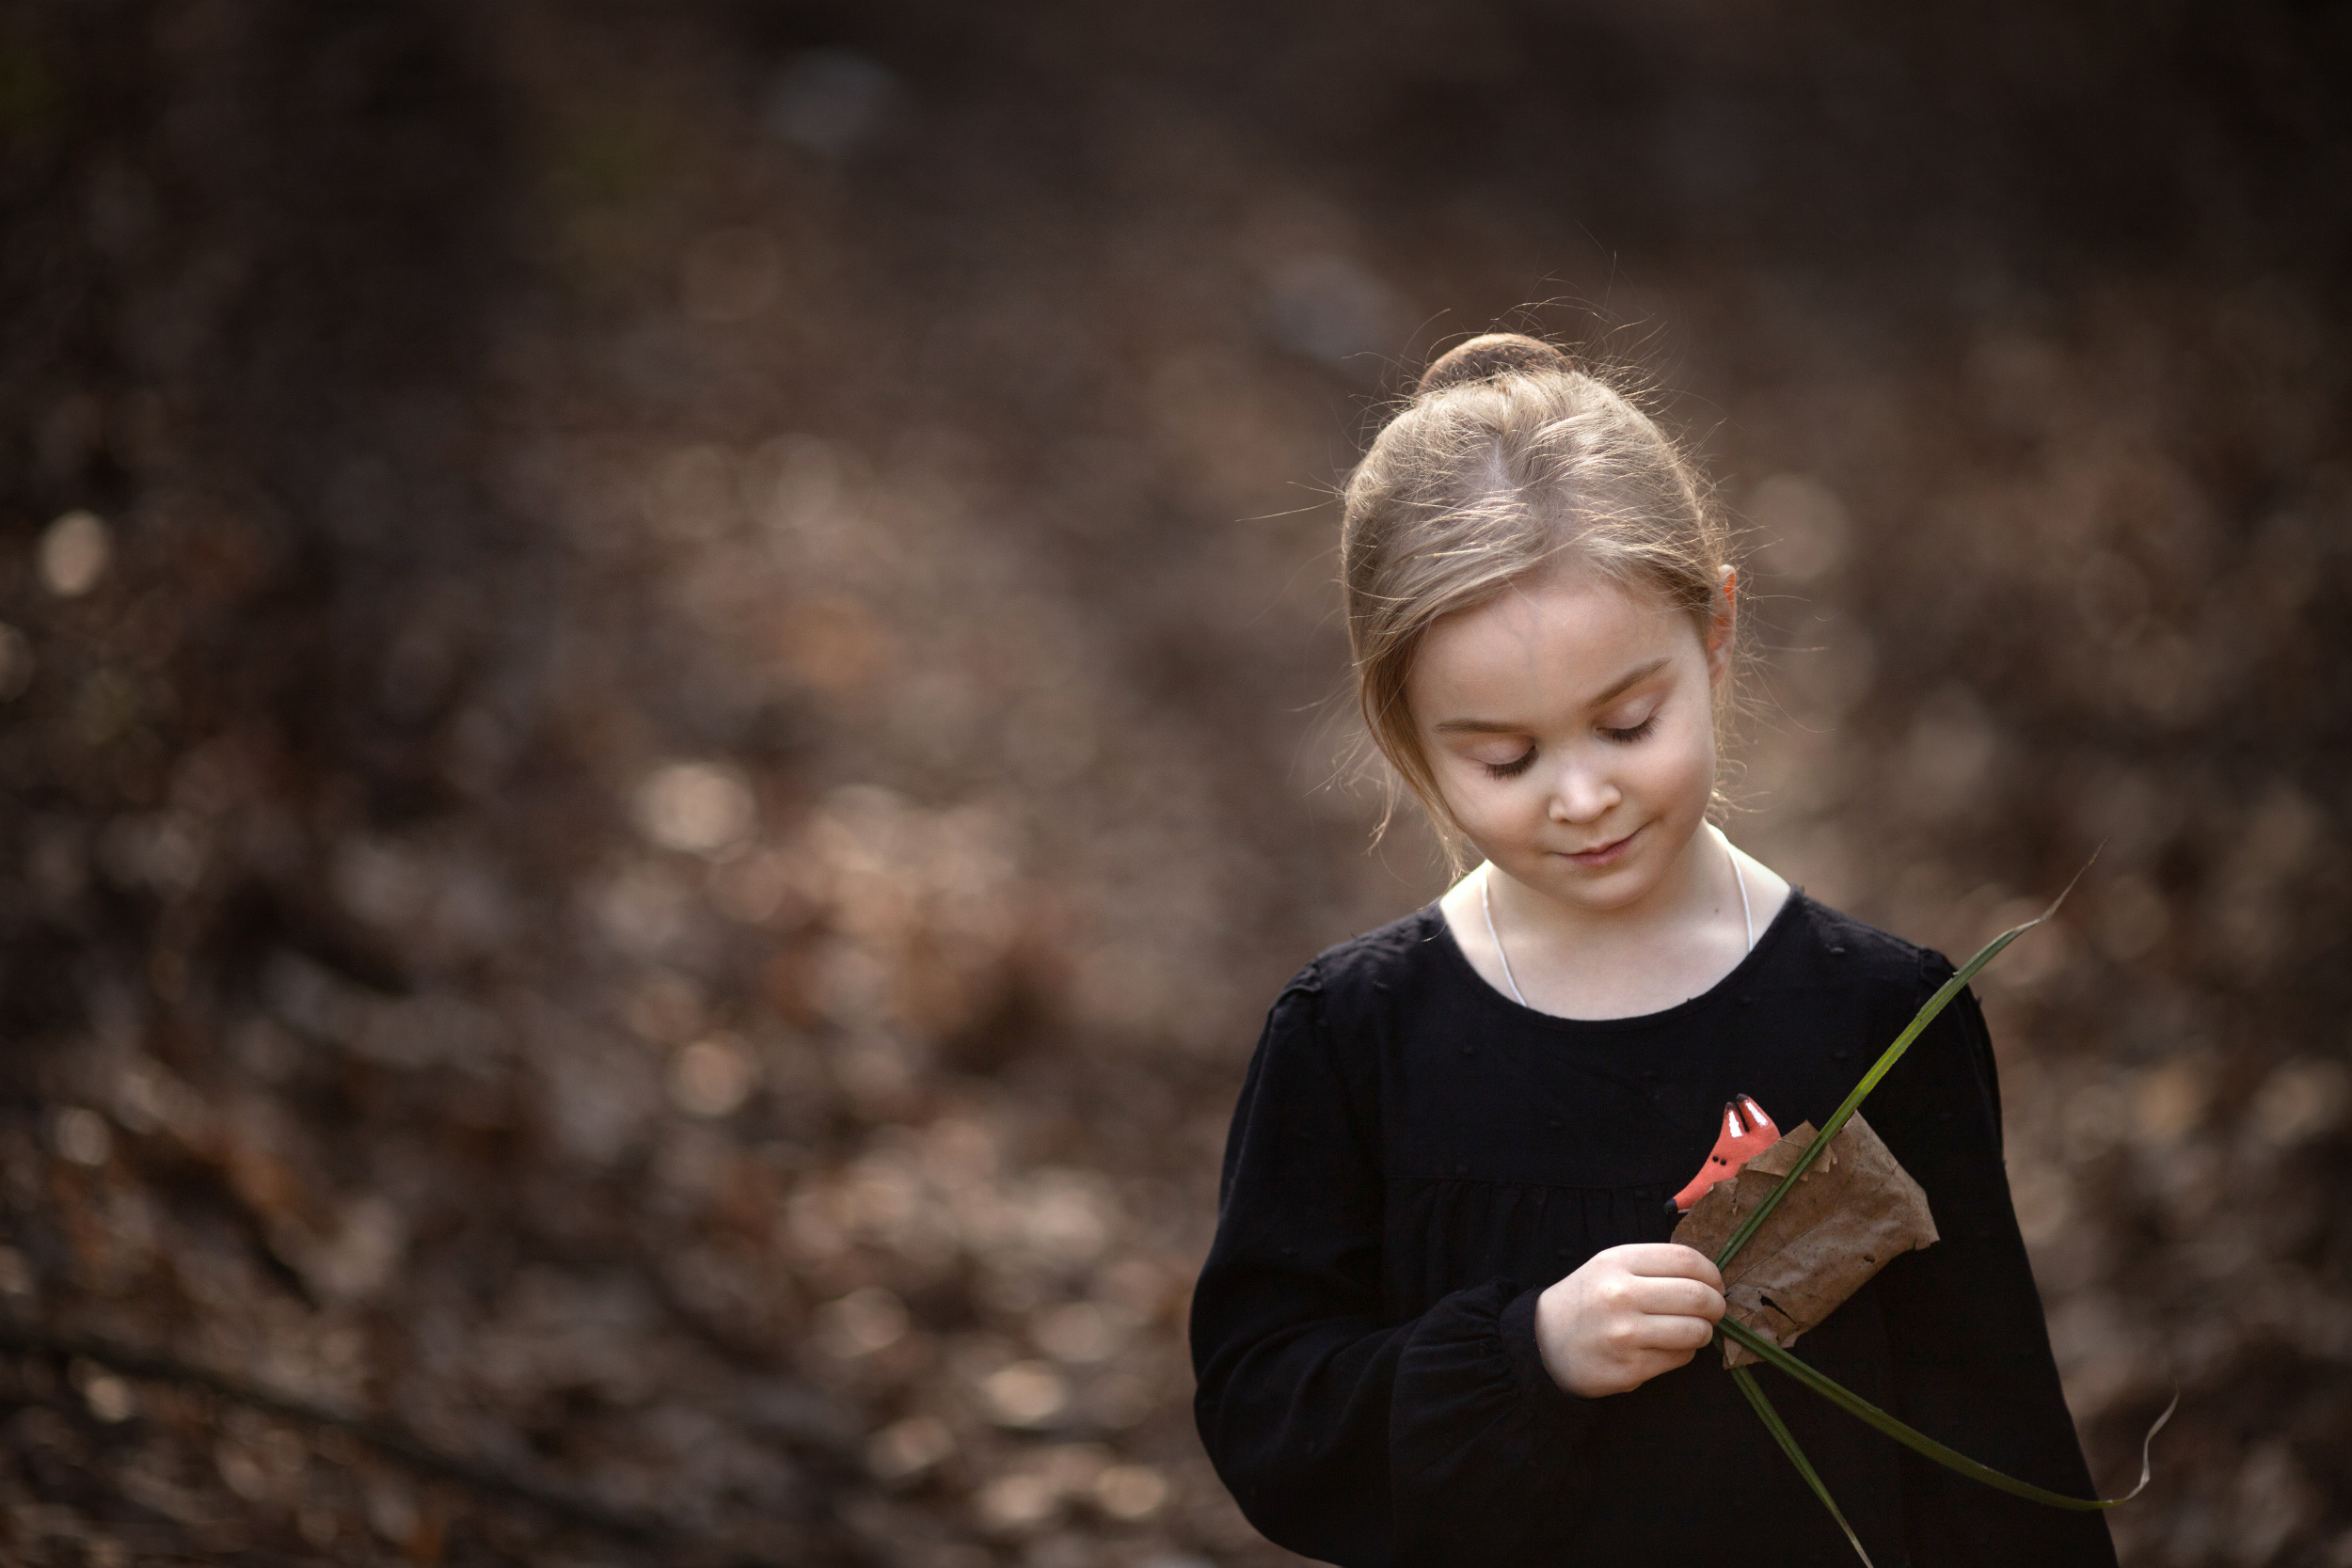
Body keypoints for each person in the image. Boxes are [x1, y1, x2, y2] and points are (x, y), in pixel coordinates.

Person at [1188, 334, 2113, 1567]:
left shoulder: (1879, 1022)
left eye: (1628, 723)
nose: (1580, 795)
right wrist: (1524, 1355)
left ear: (1717, 630)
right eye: (1504, 759)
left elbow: (1993, 1449)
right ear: (1405, 730)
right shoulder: (1355, 1038)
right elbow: (1268, 1416)